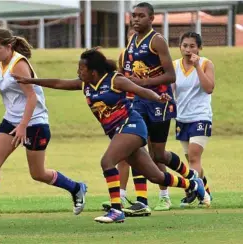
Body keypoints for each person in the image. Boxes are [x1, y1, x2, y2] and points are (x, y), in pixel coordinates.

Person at [14, 48, 210, 224]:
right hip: (119, 132)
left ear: (93, 71)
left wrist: (159, 97)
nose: (78, 72)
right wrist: (30, 80)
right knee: (155, 176)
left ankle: (116, 210)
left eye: (81, 69)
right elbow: (58, 82)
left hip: (132, 126)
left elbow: (140, 90)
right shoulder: (85, 85)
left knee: (107, 161)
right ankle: (193, 184)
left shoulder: (115, 80)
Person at [0, 27, 87, 226]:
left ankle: (76, 188)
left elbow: (32, 97)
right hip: (11, 121)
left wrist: (23, 126)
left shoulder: (18, 64)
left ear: (9, 46)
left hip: (34, 123)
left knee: (38, 173)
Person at [117, 2, 199, 214]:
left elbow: (171, 75)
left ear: (151, 19)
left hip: (159, 101)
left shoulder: (157, 41)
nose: (135, 19)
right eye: (133, 16)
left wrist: (143, 83)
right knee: (134, 147)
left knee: (158, 154)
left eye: (141, 16)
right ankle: (142, 201)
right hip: (138, 101)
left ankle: (188, 182)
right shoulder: (132, 41)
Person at [173, 32, 215, 207]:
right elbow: (172, 91)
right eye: (185, 46)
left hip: (201, 116)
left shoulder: (206, 64)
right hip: (182, 118)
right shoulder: (174, 65)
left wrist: (197, 66)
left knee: (194, 158)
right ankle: (206, 192)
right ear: (180, 47)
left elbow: (209, 88)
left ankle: (191, 191)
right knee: (191, 160)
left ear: (199, 48)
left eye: (192, 46)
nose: (188, 49)